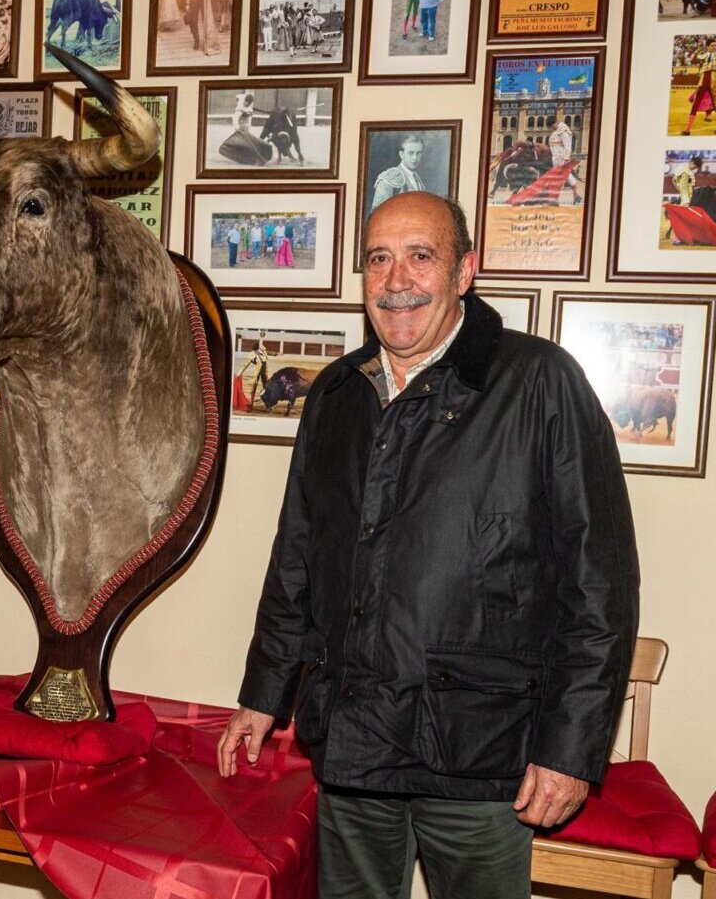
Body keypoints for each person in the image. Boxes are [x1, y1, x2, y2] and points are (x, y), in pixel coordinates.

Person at [218, 191, 639, 899]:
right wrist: (264, 693)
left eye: (421, 256)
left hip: (478, 754)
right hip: (352, 742)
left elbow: (601, 584)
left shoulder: (541, 382)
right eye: (378, 259)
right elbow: (296, 555)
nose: (396, 280)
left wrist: (570, 750)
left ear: (464, 271)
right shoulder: (336, 393)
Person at [370, 134, 427, 212]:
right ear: (401, 154)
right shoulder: (389, 177)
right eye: (411, 153)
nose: (415, 158)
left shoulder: (418, 179)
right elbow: (378, 213)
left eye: (418, 153)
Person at [682, 39, 716, 135]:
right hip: (704, 80)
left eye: (715, 45)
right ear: (708, 46)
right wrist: (699, 50)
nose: (714, 47)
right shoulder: (703, 55)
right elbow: (692, 60)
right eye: (712, 45)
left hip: (714, 80)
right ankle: (687, 129)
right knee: (695, 104)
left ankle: (688, 129)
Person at [547, 118, 582, 205]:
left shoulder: (563, 130)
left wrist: (566, 158)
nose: (551, 128)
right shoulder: (555, 132)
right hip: (555, 159)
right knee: (568, 176)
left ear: (556, 122)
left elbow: (567, 145)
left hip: (561, 158)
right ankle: (576, 196)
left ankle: (554, 200)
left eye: (552, 125)